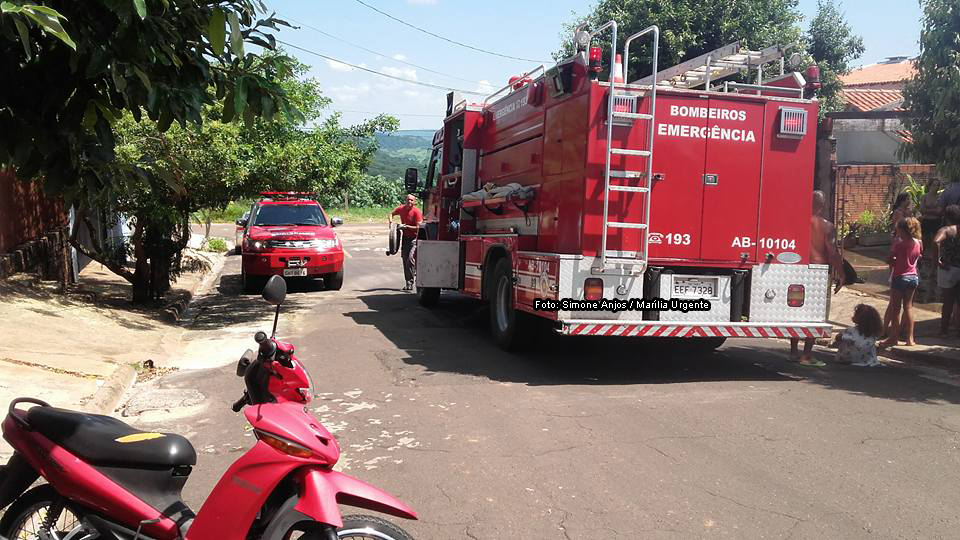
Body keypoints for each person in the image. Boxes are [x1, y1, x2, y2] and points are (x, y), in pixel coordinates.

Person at [790, 191, 844, 365]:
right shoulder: (827, 227)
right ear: (822, 206)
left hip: (798, 269)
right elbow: (832, 252)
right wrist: (841, 274)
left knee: (796, 312)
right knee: (815, 314)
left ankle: (793, 351)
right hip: (818, 273)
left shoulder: (797, 223)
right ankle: (806, 354)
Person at [880, 217, 923, 347]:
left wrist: (893, 262)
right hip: (913, 277)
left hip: (899, 277)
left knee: (896, 309)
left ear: (902, 230)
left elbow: (890, 259)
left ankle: (893, 338)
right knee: (908, 307)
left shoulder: (899, 244)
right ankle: (910, 338)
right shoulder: (918, 242)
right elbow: (919, 257)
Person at [933, 205, 960, 335]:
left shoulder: (946, 230)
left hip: (948, 268)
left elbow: (936, 242)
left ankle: (943, 331)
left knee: (948, 302)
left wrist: (936, 261)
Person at [388, 194, 424, 291]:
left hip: (415, 238)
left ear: (414, 202)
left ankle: (415, 275)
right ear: (405, 200)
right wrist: (391, 223)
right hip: (405, 238)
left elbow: (419, 228)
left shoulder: (417, 212)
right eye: (408, 200)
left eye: (411, 200)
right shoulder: (401, 209)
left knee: (410, 258)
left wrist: (406, 227)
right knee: (405, 259)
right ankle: (409, 283)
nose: (409, 202)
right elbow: (391, 214)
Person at [920, 177, 942, 246]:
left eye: (938, 185)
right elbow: (922, 210)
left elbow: (940, 211)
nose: (936, 187)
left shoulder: (940, 197)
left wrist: (928, 210)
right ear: (930, 186)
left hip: (937, 221)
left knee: (936, 241)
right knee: (924, 241)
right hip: (926, 221)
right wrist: (934, 210)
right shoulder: (924, 197)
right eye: (934, 185)